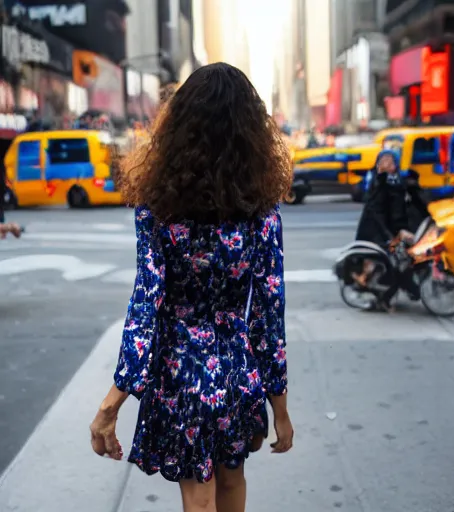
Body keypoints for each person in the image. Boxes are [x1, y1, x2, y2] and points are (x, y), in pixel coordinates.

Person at [89, 63, 294, 512]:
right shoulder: (262, 211)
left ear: (179, 125)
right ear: (251, 132)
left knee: (197, 496)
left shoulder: (157, 208)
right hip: (236, 370)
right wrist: (279, 406)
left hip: (179, 373)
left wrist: (113, 401)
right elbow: (267, 315)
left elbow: (147, 303)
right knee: (232, 477)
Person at [353, 149, 420, 310]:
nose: (387, 164)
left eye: (390, 161)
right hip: (377, 233)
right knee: (396, 263)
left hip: (393, 230)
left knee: (405, 259)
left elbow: (400, 207)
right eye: (384, 161)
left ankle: (408, 290)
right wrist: (389, 236)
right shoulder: (378, 182)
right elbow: (376, 213)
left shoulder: (396, 180)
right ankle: (387, 296)